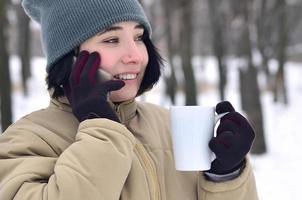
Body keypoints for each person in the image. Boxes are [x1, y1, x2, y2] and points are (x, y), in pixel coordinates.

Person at [0, 0, 258, 199]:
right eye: (112, 40)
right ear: (71, 58)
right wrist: (100, 126)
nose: (135, 55)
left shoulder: (168, 126)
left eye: (138, 37)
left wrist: (226, 177)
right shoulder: (27, 140)